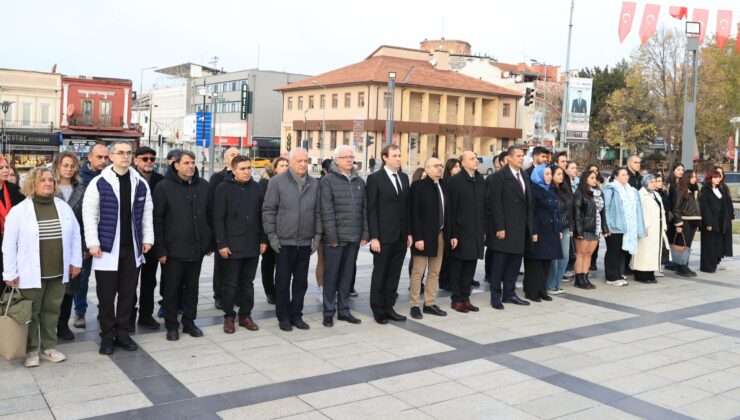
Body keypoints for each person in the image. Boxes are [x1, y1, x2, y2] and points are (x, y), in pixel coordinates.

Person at [2, 167, 82, 368]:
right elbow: (9, 244)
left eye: (50, 180)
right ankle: (30, 351)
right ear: (32, 184)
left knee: (52, 310)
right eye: (42, 180)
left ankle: (49, 347)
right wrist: (10, 272)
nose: (48, 183)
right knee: (32, 312)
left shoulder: (63, 207)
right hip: (30, 272)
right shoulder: (19, 211)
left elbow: (75, 235)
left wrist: (75, 261)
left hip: (57, 271)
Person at [83, 141, 153, 354]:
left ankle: (122, 333)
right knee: (106, 296)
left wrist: (148, 239)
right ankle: (106, 336)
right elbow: (89, 214)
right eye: (120, 153)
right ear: (111, 156)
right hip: (106, 249)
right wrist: (92, 243)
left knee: (127, 294)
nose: (125, 156)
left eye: (128, 153)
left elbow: (147, 214)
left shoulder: (140, 182)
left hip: (132, 249)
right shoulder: (99, 182)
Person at [153, 150, 213, 341]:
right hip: (173, 251)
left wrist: (209, 242)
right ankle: (172, 326)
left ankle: (189, 322)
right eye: (186, 162)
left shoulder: (203, 186)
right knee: (171, 290)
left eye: (193, 162)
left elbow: (210, 216)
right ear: (176, 165)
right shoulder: (164, 187)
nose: (190, 166)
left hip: (196, 249)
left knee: (192, 289)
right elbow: (157, 220)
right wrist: (160, 249)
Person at [263, 148, 322, 331]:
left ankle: (297, 315)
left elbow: (318, 212)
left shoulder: (314, 184)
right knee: (282, 282)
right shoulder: (276, 182)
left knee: (300, 283)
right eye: (299, 161)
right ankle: (283, 317)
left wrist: (317, 237)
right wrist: (272, 236)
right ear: (290, 162)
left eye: (306, 160)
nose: (303, 164)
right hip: (283, 242)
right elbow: (268, 210)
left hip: (304, 242)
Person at [213, 155, 267, 333]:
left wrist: (263, 240)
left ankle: (245, 315)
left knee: (247, 283)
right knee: (230, 283)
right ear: (234, 170)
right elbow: (218, 218)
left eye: (249, 168)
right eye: (242, 169)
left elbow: (262, 216)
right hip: (232, 245)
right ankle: (229, 316)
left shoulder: (257, 188)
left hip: (252, 244)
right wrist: (221, 243)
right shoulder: (223, 188)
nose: (247, 172)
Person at [319, 145, 368, 327]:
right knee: (331, 276)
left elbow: (364, 210)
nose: (349, 160)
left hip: (354, 237)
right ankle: (328, 312)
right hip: (335, 239)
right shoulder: (328, 181)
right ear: (336, 160)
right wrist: (331, 237)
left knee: (347, 276)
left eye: (351, 157)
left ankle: (344, 310)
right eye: (345, 157)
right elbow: (327, 211)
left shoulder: (359, 181)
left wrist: (365, 233)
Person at [366, 144, 411, 324]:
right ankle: (378, 309)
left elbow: (406, 208)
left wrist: (408, 233)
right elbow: (372, 209)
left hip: (400, 236)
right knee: (381, 273)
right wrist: (374, 237)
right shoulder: (375, 178)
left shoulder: (404, 177)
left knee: (394, 274)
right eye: (395, 155)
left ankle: (389, 307)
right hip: (383, 237)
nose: (399, 158)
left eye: (400, 155)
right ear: (385, 158)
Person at [487, 145, 531, 309]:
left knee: (514, 264)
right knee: (499, 265)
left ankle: (510, 293)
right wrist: (499, 227)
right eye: (518, 156)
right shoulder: (500, 176)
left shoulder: (524, 175)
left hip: (520, 228)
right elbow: (495, 203)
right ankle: (495, 296)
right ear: (509, 158)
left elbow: (528, 203)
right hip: (504, 228)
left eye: (523, 156)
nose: (521, 158)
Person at [52, 152, 87, 341]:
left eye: (72, 165)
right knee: (51, 287)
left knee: (71, 287)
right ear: (57, 166)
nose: (68, 169)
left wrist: (86, 246)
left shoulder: (82, 188)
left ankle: (63, 324)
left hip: (75, 244)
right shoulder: (48, 185)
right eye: (65, 165)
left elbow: (88, 218)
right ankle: (49, 325)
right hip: (51, 244)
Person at [408, 157, 448, 319]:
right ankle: (414, 305)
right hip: (423, 237)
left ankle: (430, 303)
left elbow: (447, 212)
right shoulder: (418, 187)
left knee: (435, 272)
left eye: (441, 166)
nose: (440, 169)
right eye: (436, 166)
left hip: (440, 234)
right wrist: (418, 237)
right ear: (427, 169)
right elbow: (414, 214)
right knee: (418, 272)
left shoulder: (443, 186)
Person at [446, 151, 486, 312]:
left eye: (476, 158)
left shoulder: (480, 179)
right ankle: (456, 299)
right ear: (463, 163)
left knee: (470, 266)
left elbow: (484, 205)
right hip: (461, 232)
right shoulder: (455, 181)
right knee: (458, 267)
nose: (476, 160)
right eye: (472, 158)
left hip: (476, 232)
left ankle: (465, 297)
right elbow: (451, 210)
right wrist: (453, 234)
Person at [74, 144, 109, 328]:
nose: (103, 161)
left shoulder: (111, 176)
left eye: (106, 157)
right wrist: (83, 244)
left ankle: (105, 310)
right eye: (99, 157)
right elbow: (77, 212)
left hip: (107, 236)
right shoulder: (79, 178)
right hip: (85, 236)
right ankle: (80, 312)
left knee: (106, 279)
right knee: (82, 278)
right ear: (90, 158)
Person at [131, 146, 164, 330]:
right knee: (129, 282)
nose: (149, 162)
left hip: (153, 239)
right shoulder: (128, 178)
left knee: (149, 280)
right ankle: (128, 315)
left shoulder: (161, 180)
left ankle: (146, 314)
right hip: (132, 239)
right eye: (145, 159)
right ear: (136, 160)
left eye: (152, 159)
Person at [208, 147, 241, 310]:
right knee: (221, 264)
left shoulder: (244, 176)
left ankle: (235, 295)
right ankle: (219, 295)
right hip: (222, 228)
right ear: (226, 159)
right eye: (232, 155)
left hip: (240, 231)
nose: (236, 157)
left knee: (237, 266)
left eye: (238, 154)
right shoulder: (217, 178)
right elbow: (212, 204)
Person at [524, 165, 561, 302]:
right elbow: (531, 213)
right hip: (539, 231)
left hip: (550, 231)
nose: (549, 176)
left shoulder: (551, 189)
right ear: (538, 175)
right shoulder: (534, 190)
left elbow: (555, 211)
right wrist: (533, 231)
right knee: (536, 263)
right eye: (546, 174)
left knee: (546, 262)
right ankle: (531, 291)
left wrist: (558, 228)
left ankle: (542, 290)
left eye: (550, 173)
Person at [603, 167, 645, 287]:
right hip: (614, 225)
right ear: (616, 176)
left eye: (626, 175)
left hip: (626, 226)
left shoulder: (631, 190)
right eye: (622, 175)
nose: (626, 177)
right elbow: (606, 208)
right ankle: (611, 277)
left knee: (621, 252)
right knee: (613, 251)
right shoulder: (611, 188)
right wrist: (607, 225)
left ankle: (618, 274)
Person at [258, 156, 289, 304]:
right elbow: (263, 209)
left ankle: (280, 290)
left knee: (283, 264)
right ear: (274, 168)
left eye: (287, 165)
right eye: (282, 165)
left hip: (285, 230)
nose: (285, 168)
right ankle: (270, 291)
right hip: (269, 229)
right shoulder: (265, 184)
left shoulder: (290, 183)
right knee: (269, 262)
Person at [573, 170, 609, 289]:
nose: (595, 180)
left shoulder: (599, 193)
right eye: (592, 178)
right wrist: (579, 231)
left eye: (595, 178)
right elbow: (577, 214)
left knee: (589, 254)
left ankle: (585, 277)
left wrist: (604, 228)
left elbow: (603, 212)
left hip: (596, 228)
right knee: (581, 254)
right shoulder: (580, 193)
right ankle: (579, 279)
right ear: (585, 179)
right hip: (584, 228)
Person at [633, 174, 669, 283]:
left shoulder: (656, 195)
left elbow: (662, 211)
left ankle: (650, 273)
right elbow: (641, 212)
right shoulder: (641, 194)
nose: (654, 184)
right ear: (645, 183)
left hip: (657, 227)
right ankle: (641, 275)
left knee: (653, 251)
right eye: (651, 182)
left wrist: (664, 226)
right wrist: (645, 226)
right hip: (647, 227)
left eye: (655, 182)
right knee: (644, 251)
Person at [546, 166, 572, 295]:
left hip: (566, 226)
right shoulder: (549, 190)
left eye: (562, 174)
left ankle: (557, 283)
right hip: (555, 227)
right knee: (554, 259)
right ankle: (550, 285)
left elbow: (570, 210)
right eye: (558, 174)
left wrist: (571, 227)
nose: (561, 176)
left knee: (565, 256)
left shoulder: (565, 190)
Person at [699, 169, 731, 273]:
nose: (718, 179)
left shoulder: (720, 189)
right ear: (710, 178)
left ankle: (714, 265)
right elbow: (705, 207)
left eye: (719, 177)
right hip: (710, 221)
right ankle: (707, 267)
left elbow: (724, 204)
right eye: (715, 177)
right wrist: (708, 223)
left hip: (719, 221)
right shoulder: (705, 190)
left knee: (716, 245)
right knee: (708, 245)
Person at [0, 155, 26, 279]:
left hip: (13, 243)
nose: (5, 170)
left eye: (6, 167)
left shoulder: (14, 190)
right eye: (1, 168)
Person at [671, 170, 701, 277]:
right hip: (685, 220)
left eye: (695, 176)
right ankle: (681, 267)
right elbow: (676, 208)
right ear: (687, 178)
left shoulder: (695, 189)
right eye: (692, 176)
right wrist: (678, 224)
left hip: (694, 220)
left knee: (688, 245)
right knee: (683, 244)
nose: (694, 178)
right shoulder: (681, 189)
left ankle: (685, 265)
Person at [439, 158, 461, 292]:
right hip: (446, 222)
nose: (458, 168)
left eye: (459, 166)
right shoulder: (445, 183)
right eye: (455, 166)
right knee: (446, 255)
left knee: (453, 255)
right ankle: (444, 280)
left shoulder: (459, 182)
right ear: (449, 169)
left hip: (455, 222)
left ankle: (452, 280)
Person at [714, 167, 734, 270]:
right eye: (718, 173)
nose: (720, 175)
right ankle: (715, 261)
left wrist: (731, 216)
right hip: (718, 219)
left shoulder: (724, 187)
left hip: (725, 218)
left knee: (723, 241)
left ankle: (719, 260)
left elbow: (728, 203)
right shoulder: (713, 187)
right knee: (717, 241)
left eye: (721, 173)